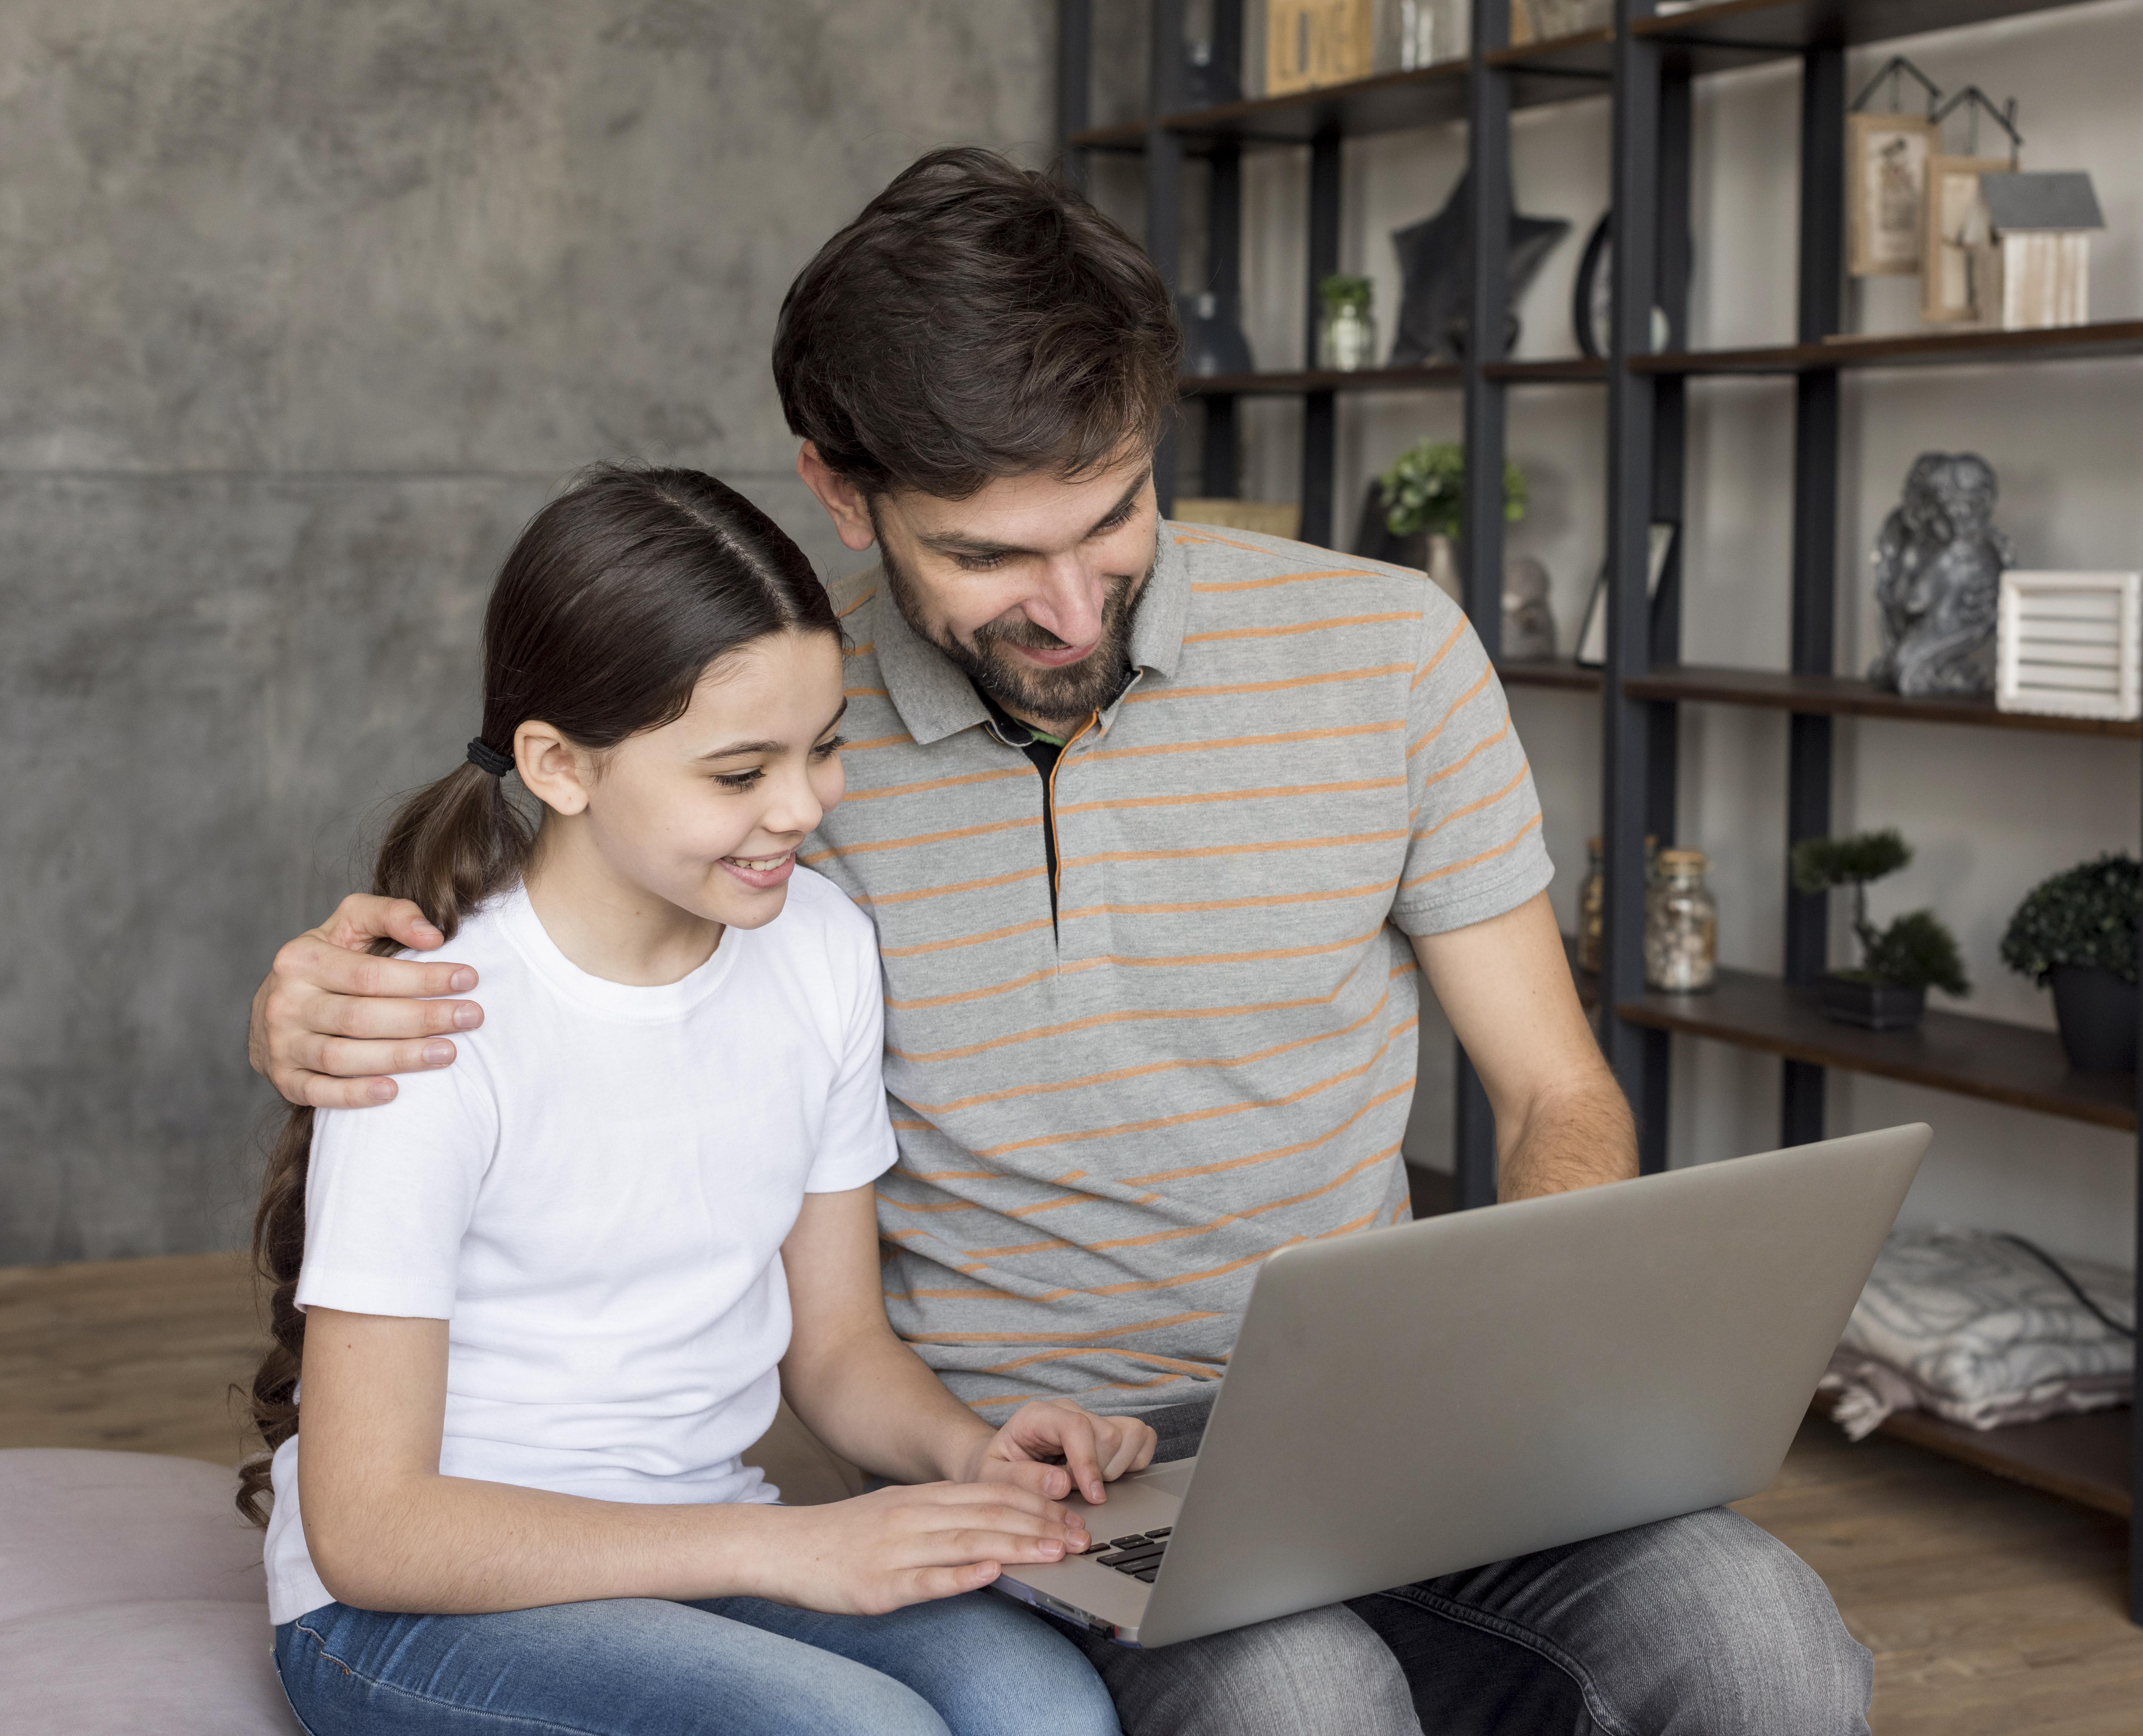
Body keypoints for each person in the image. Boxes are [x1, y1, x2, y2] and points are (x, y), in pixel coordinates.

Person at [252, 154, 1874, 1735]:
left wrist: (1530, 1377)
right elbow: (558, 895)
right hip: (1059, 1471)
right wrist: (320, 1001)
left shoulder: (1389, 656)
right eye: (986, 557)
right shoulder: (780, 735)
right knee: (1297, 1694)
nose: (1076, 611)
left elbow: (1553, 1099)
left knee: (1758, 1633)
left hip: (1394, 1414)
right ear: (839, 485)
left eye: (1112, 518)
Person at [240, 464, 1139, 1736]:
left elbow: (836, 1350)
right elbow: (375, 1531)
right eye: (738, 774)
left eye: (824, 748)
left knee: (1045, 1711)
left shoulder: (819, 946)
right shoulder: (432, 1021)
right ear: (559, 767)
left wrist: (967, 1453)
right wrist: (794, 1552)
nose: (801, 808)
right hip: (416, 1610)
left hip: (701, 1549)